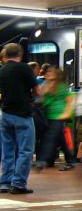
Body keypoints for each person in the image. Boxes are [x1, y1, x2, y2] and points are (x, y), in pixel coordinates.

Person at [0, 43, 40, 194]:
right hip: (23, 114)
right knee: (25, 150)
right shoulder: (24, 68)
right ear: (20, 54)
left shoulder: (2, 70)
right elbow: (37, 90)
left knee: (7, 150)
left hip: (5, 115)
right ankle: (18, 184)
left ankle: (4, 182)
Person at [35, 67, 75, 171]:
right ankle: (70, 160)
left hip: (58, 115)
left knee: (49, 137)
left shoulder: (61, 87)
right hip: (48, 115)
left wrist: (67, 113)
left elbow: (70, 99)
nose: (48, 73)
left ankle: (42, 160)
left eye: (51, 72)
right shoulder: (45, 84)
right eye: (48, 72)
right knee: (61, 139)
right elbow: (41, 98)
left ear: (57, 75)